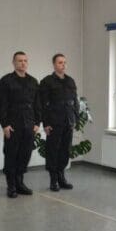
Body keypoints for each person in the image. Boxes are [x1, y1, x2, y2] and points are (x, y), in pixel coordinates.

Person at [0, 51, 40, 198]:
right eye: (20, 61)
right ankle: (11, 185)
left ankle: (20, 182)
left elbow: (37, 104)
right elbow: (1, 105)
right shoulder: (6, 81)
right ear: (14, 63)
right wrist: (4, 124)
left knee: (25, 154)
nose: (23, 63)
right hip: (13, 124)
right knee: (11, 154)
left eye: (25, 60)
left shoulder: (33, 81)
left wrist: (37, 122)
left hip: (29, 123)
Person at [40, 53, 78, 191]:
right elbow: (43, 104)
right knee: (53, 151)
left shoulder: (70, 81)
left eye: (64, 62)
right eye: (60, 62)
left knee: (65, 150)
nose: (63, 65)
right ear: (54, 64)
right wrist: (46, 123)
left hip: (68, 121)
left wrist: (75, 119)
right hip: (54, 122)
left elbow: (75, 101)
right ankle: (53, 180)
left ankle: (61, 177)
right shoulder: (47, 82)